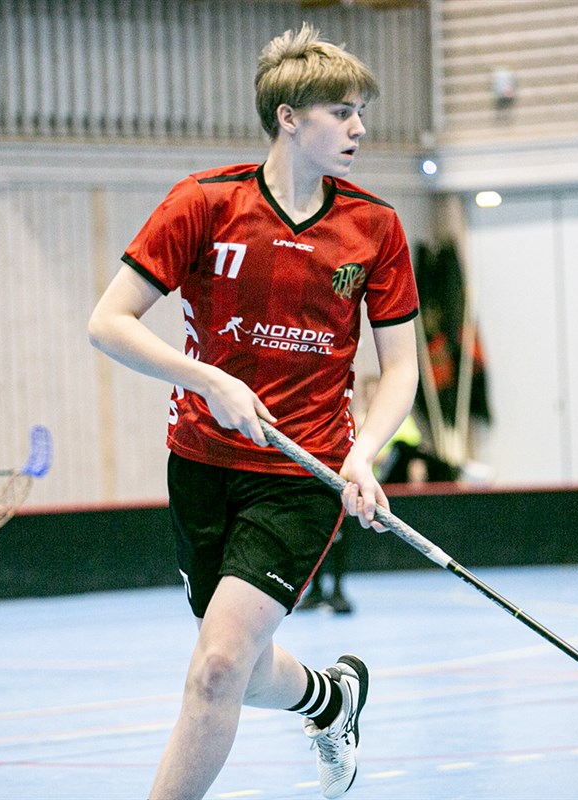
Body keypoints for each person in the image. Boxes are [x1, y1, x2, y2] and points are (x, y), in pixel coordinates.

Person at [88, 24, 420, 800]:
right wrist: (206, 379)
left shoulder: (375, 226)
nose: (359, 128)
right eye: (342, 112)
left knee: (216, 668)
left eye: (361, 112)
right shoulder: (204, 203)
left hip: (303, 476)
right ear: (288, 118)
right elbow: (108, 322)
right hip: (201, 464)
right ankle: (330, 699)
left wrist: (364, 453)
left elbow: (401, 366)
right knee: (234, 659)